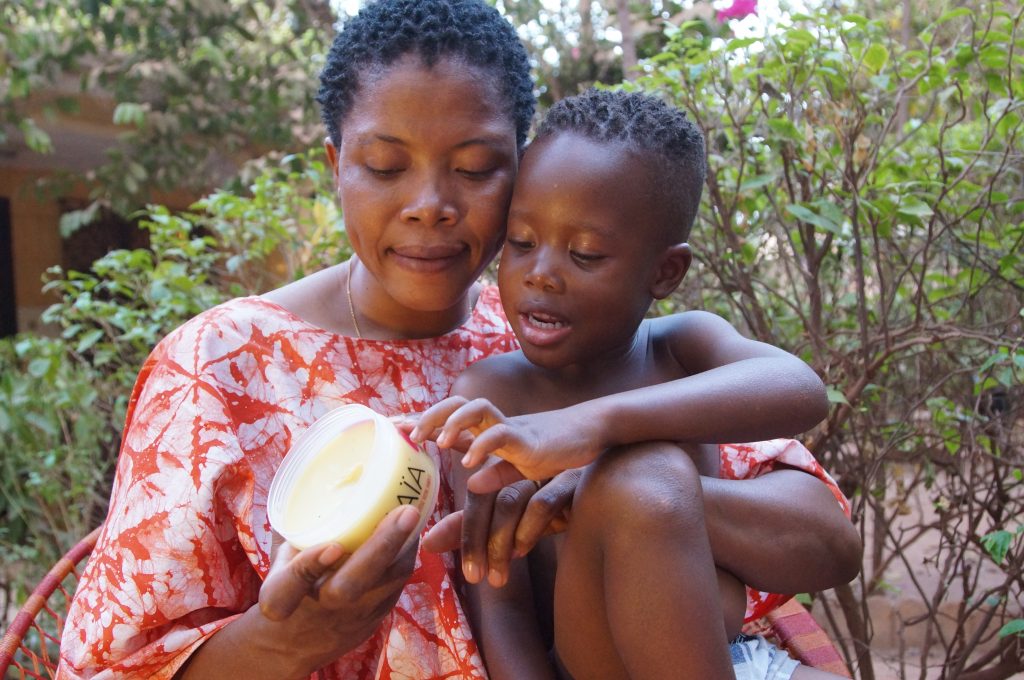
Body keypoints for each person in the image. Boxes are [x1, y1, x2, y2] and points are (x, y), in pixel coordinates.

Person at [57, 2, 858, 678]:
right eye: (383, 166)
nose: (431, 204)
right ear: (337, 165)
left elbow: (815, 533)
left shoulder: (557, 332)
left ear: (524, 173)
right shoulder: (221, 369)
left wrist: (608, 498)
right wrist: (288, 639)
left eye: (475, 169)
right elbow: (109, 664)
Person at [412, 89, 859, 679]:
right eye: (520, 243)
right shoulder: (493, 398)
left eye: (586, 254)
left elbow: (799, 388)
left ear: (665, 271)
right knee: (644, 477)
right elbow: (503, 612)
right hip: (594, 665)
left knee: (643, 480)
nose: (540, 273)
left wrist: (591, 430)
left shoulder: (682, 345)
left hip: (728, 660)